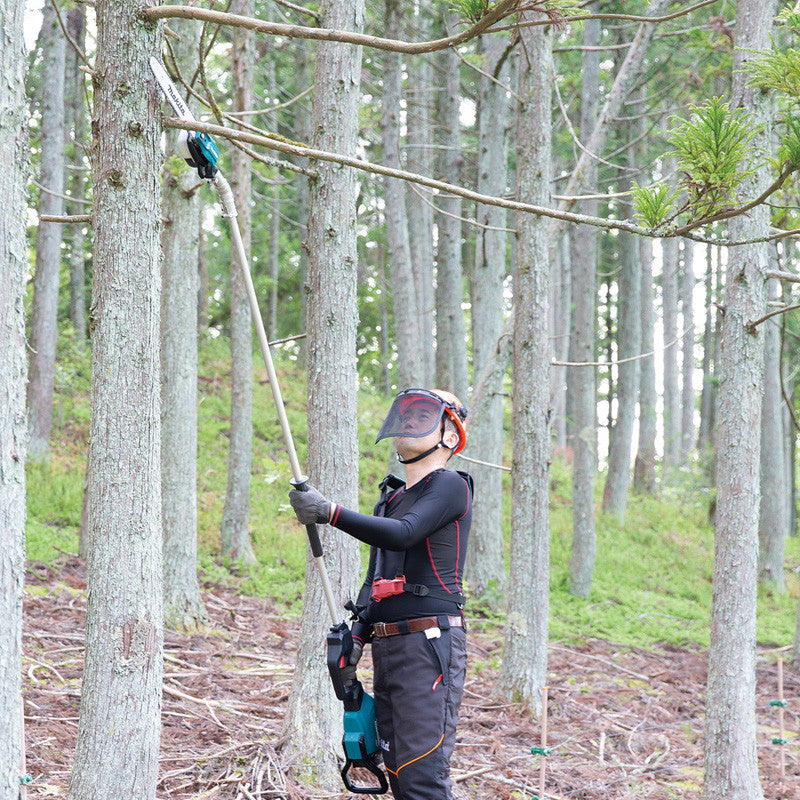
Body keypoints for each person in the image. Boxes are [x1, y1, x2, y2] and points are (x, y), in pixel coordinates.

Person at [289, 388, 473, 800]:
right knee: (397, 771)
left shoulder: (450, 486)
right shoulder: (390, 499)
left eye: (423, 414)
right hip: (390, 648)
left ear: (449, 435)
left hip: (430, 645)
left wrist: (329, 512)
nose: (409, 422)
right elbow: (378, 574)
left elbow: (404, 535)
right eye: (405, 415)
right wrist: (358, 629)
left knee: (422, 773)